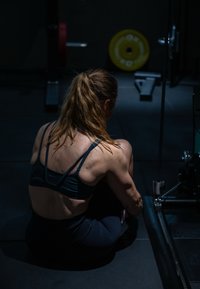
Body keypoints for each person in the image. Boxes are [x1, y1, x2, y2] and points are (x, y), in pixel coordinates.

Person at [26, 68, 143, 268]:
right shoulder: (106, 152)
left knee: (85, 177)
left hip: (36, 240)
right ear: (107, 105)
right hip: (82, 248)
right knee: (123, 147)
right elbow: (135, 206)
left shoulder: (44, 131)